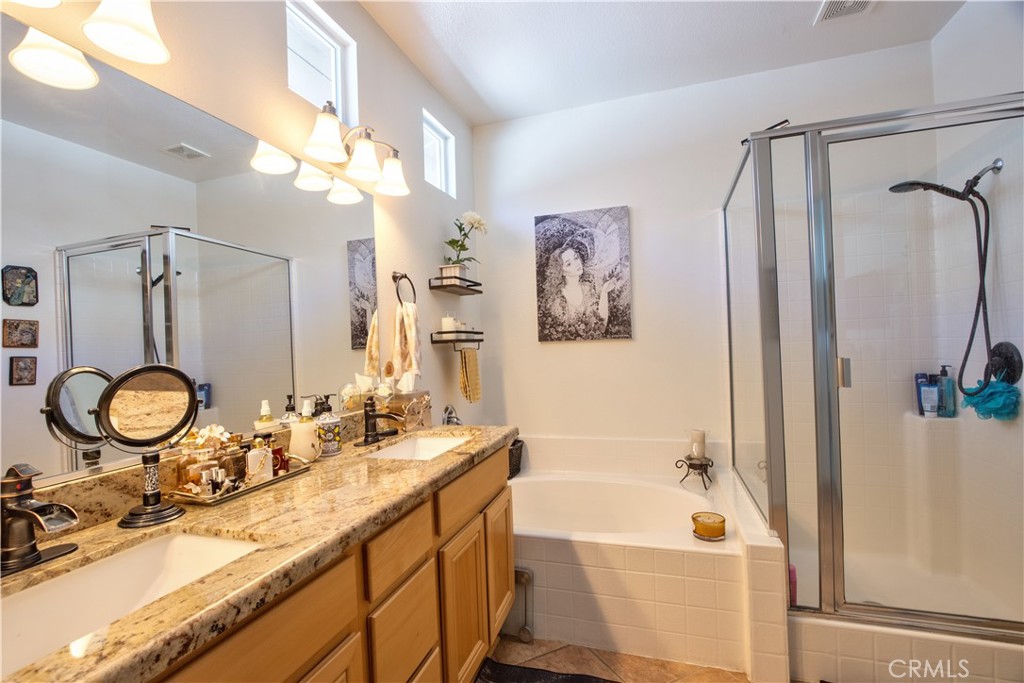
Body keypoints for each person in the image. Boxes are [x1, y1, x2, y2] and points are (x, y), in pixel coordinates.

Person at [539, 236, 621, 341]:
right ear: (562, 272)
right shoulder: (558, 299)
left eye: (575, 258)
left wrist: (604, 292)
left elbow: (601, 328)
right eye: (569, 264)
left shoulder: (587, 289)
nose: (576, 263)